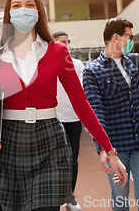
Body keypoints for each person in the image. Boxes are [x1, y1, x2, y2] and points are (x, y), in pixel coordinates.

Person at [0, 0, 128, 211]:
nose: (23, 10)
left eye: (30, 5)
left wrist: (109, 150)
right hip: (9, 141)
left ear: (39, 12)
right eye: (16, 6)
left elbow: (81, 104)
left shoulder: (58, 52)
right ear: (8, 15)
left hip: (50, 140)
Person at [83, 18, 139, 211]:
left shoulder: (137, 62)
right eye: (129, 36)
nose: (131, 41)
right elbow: (96, 113)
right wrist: (103, 148)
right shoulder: (92, 71)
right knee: (120, 198)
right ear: (116, 37)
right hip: (116, 147)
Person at [53, 31, 85, 211]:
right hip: (54, 119)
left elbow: (81, 93)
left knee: (72, 160)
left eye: (68, 42)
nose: (67, 45)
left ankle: (70, 196)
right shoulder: (48, 63)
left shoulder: (77, 64)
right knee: (55, 161)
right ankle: (54, 195)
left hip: (73, 120)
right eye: (63, 42)